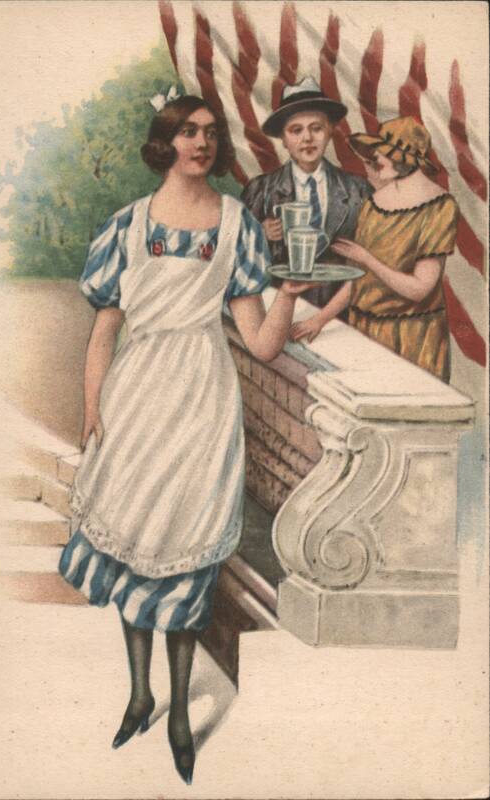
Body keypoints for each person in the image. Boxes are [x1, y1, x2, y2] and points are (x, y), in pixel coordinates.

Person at [58, 94, 315, 784]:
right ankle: (140, 692)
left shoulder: (236, 225)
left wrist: (286, 295)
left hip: (203, 400)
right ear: (164, 142)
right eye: (186, 131)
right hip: (137, 396)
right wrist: (93, 414)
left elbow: (260, 345)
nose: (200, 143)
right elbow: (104, 331)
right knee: (133, 536)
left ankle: (177, 713)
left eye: (209, 132)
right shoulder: (127, 225)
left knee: (185, 552)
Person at [291, 117, 460, 383]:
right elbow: (358, 282)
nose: (375, 158)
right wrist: (320, 319)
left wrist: (367, 258)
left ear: (404, 158)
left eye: (383, 152)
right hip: (364, 329)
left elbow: (420, 289)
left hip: (413, 337)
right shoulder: (374, 204)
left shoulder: (439, 207)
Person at [241, 76, 371, 310]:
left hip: (343, 314)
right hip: (278, 311)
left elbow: (375, 258)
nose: (307, 138)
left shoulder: (357, 190)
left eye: (316, 128)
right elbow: (237, 260)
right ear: (283, 139)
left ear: (330, 131)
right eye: (296, 130)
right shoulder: (260, 191)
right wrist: (260, 234)